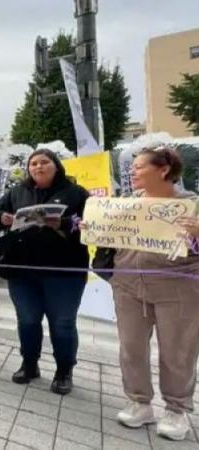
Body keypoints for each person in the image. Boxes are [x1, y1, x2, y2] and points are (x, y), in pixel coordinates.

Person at [108, 147, 199, 441]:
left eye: (139, 167)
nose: (132, 172)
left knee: (178, 350)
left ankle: (176, 409)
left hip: (178, 288)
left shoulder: (191, 205)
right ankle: (138, 402)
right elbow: (110, 238)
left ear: (163, 170)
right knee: (131, 346)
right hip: (128, 285)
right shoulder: (125, 205)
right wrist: (93, 228)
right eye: (132, 167)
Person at [0, 148, 89, 395]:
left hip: (65, 271)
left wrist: (64, 223)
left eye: (44, 162)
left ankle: (64, 370)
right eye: (33, 163)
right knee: (28, 320)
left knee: (63, 323)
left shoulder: (76, 193)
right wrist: (2, 218)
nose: (38, 167)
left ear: (57, 166)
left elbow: (92, 224)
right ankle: (29, 364)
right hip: (23, 270)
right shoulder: (17, 191)